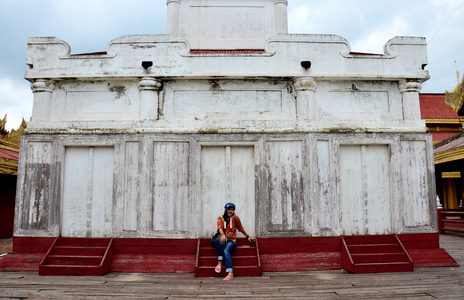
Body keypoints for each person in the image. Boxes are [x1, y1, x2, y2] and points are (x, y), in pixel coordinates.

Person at [212, 202, 256, 281]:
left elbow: (240, 228)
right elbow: (220, 227)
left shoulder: (235, 218)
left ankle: (230, 273)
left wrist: (247, 236)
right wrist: (222, 235)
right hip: (220, 239)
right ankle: (220, 262)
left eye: (232, 210)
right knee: (220, 240)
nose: (230, 211)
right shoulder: (220, 218)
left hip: (231, 241)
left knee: (226, 251)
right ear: (225, 210)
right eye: (229, 209)